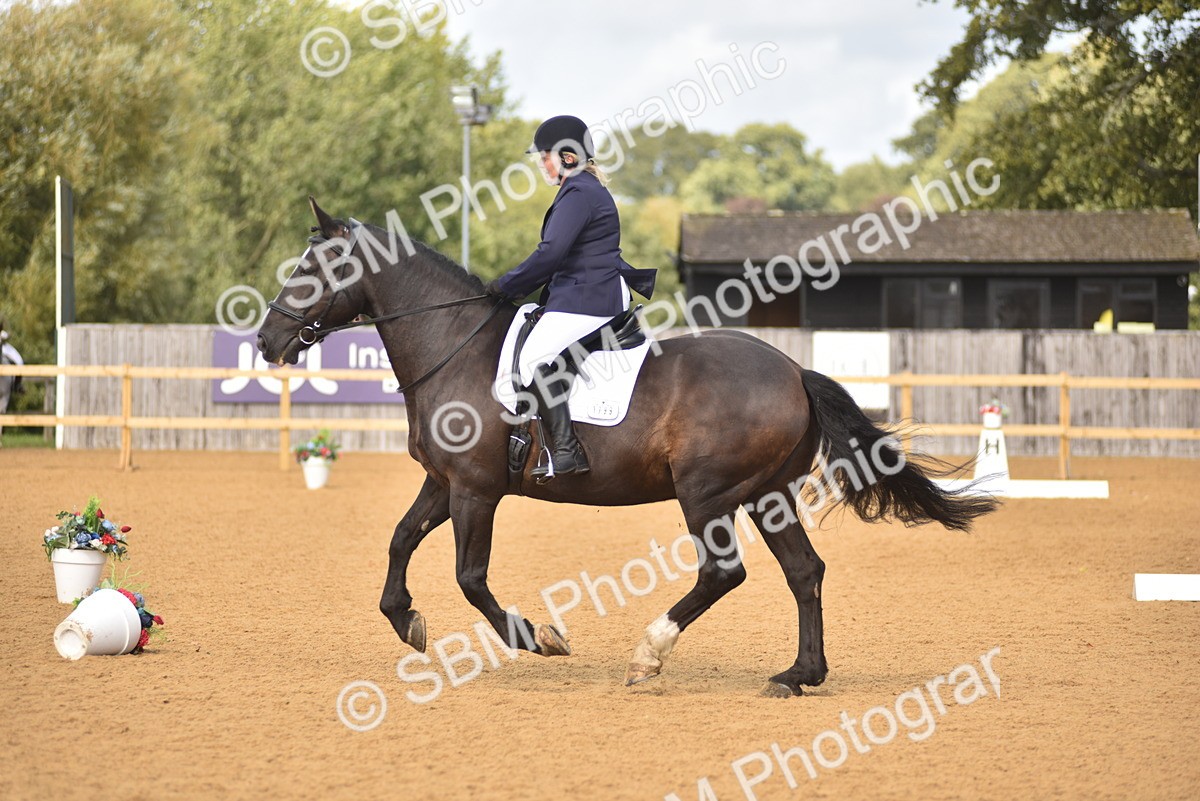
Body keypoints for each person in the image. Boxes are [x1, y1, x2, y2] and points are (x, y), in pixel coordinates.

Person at [484, 115, 656, 479]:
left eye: (545, 156)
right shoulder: (582, 190)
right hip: (585, 295)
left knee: (533, 357)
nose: (541, 163)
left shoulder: (579, 192)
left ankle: (567, 451)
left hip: (587, 299)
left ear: (567, 156)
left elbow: (550, 254)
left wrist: (505, 286)